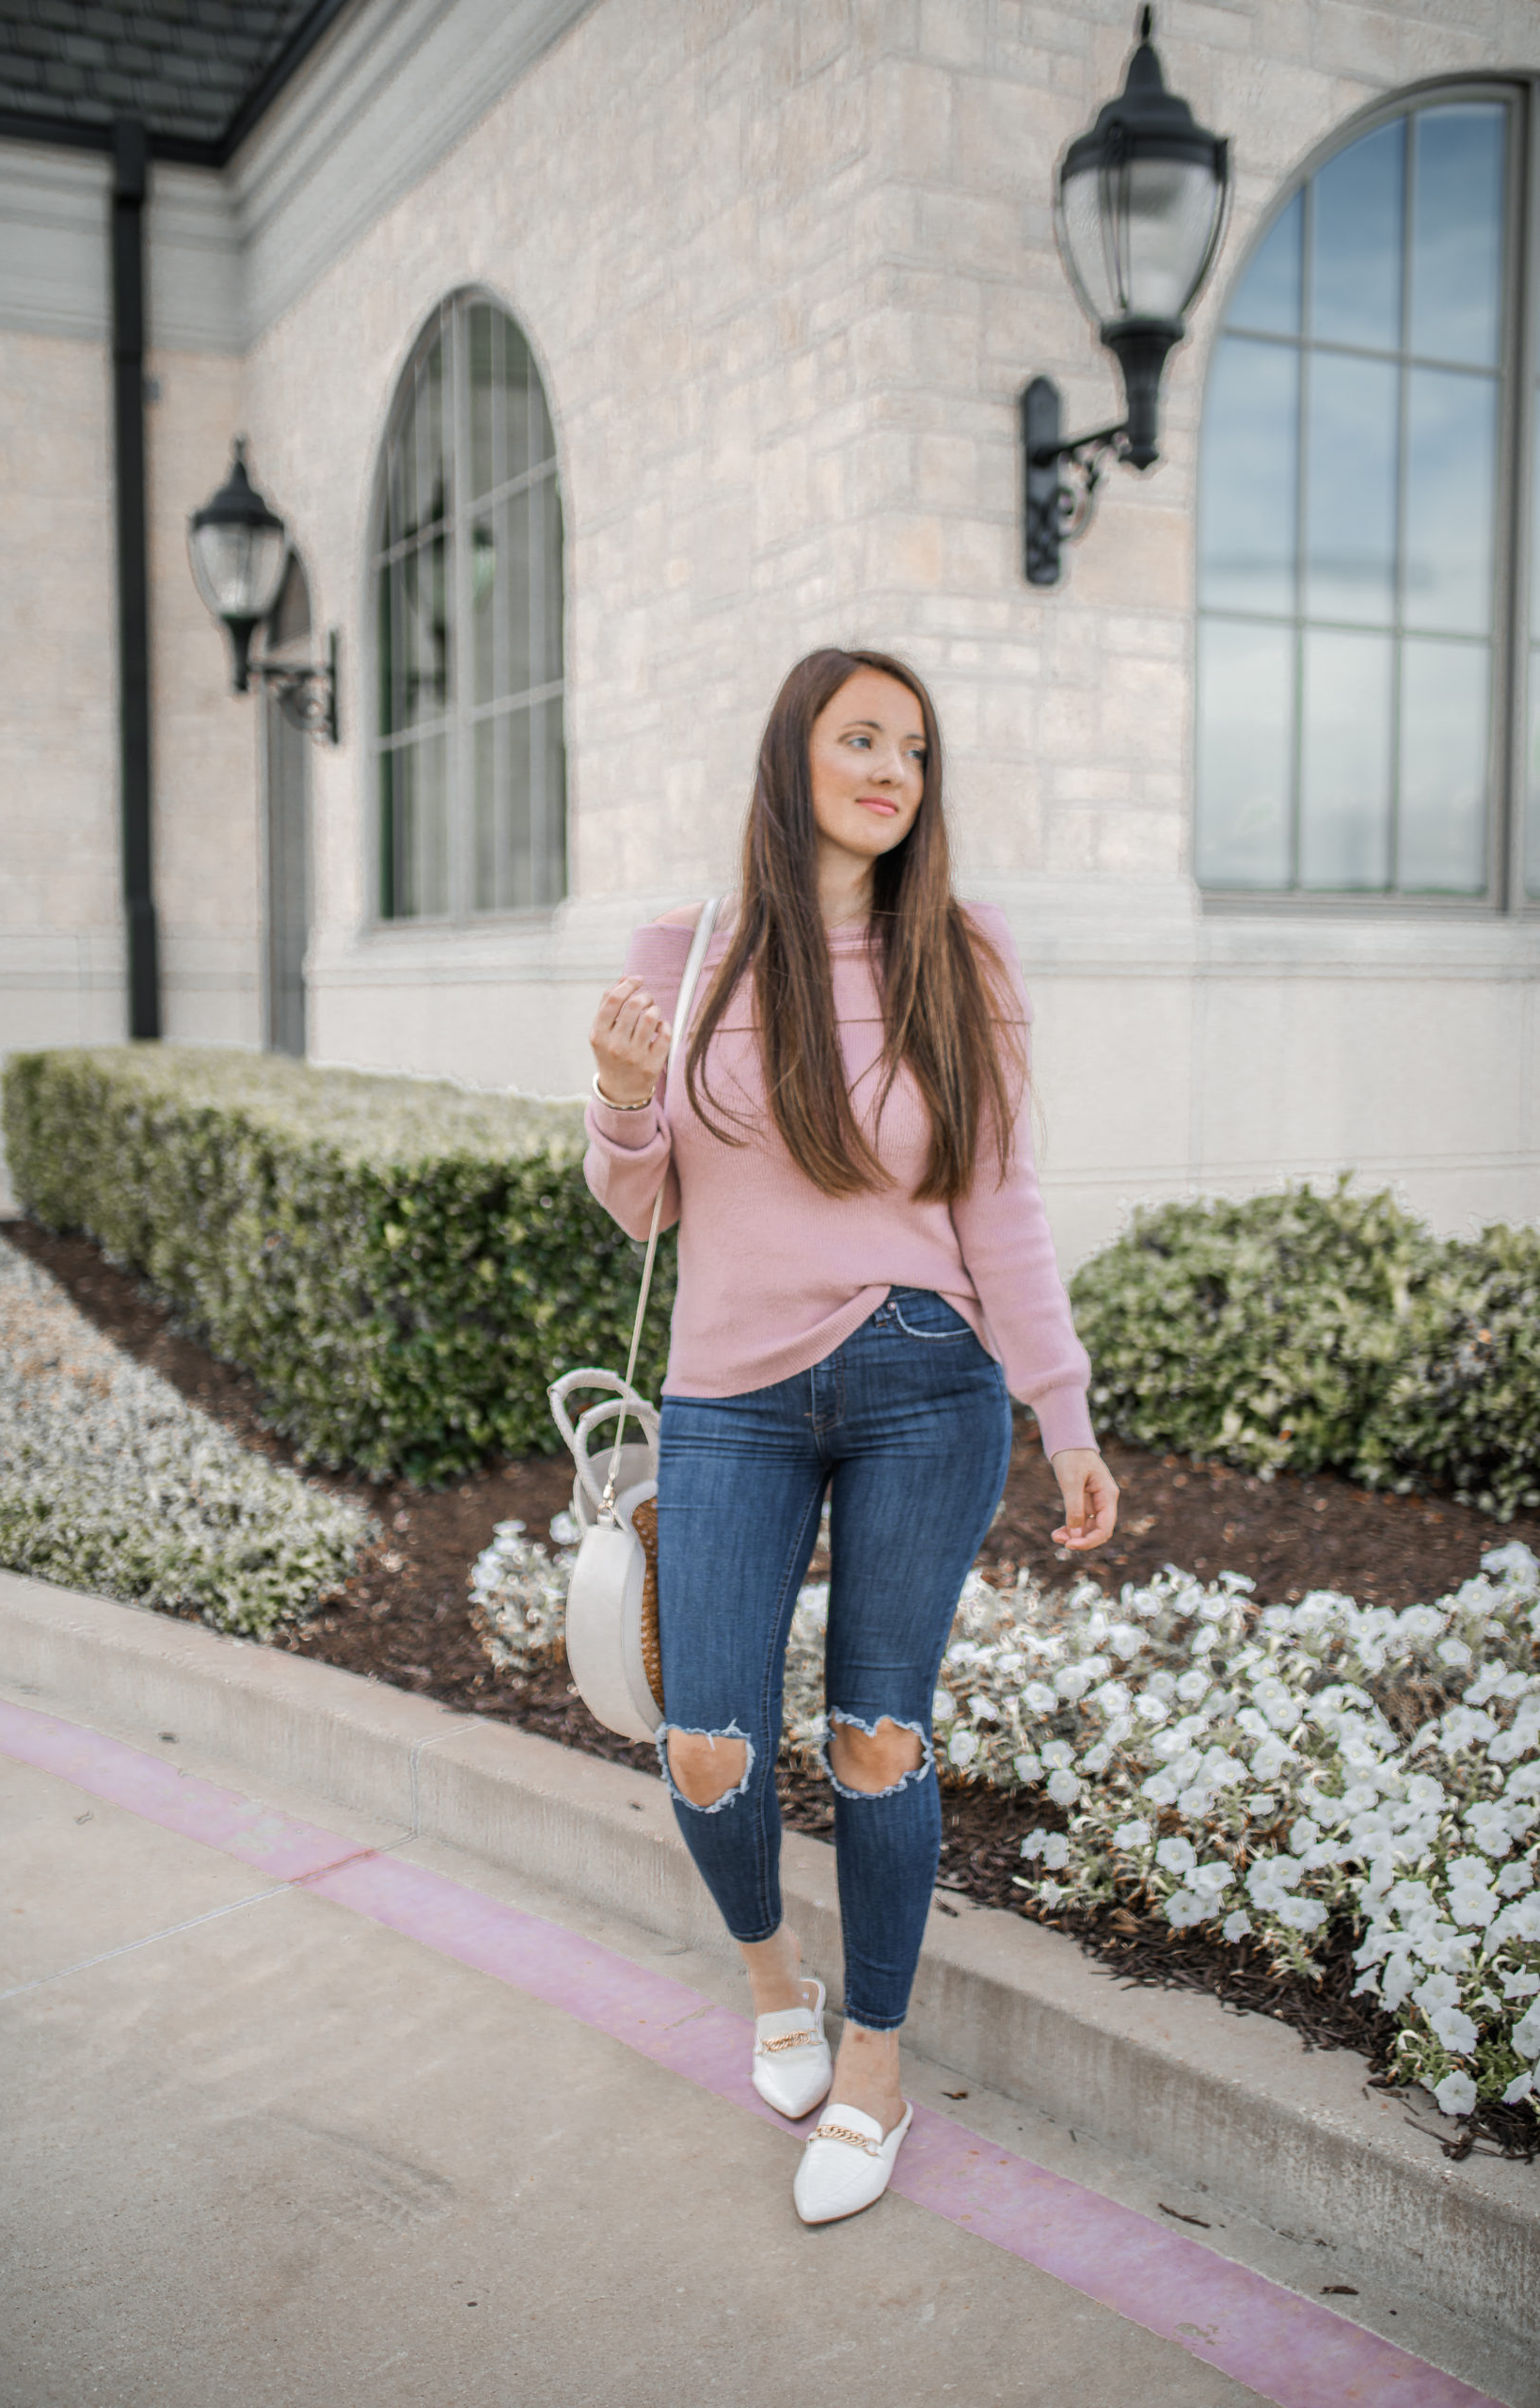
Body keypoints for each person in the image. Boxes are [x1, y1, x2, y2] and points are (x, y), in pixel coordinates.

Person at [583, 648, 1118, 2225]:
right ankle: (773, 1982)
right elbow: (645, 1205)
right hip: (730, 1397)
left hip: (924, 1382)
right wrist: (622, 1103)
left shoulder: (963, 950)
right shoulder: (688, 954)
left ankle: (876, 2060)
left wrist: (1061, 1410)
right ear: (793, 756)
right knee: (704, 1735)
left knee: (878, 1736)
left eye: (914, 747)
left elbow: (999, 1199)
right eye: (859, 737)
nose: (892, 767)